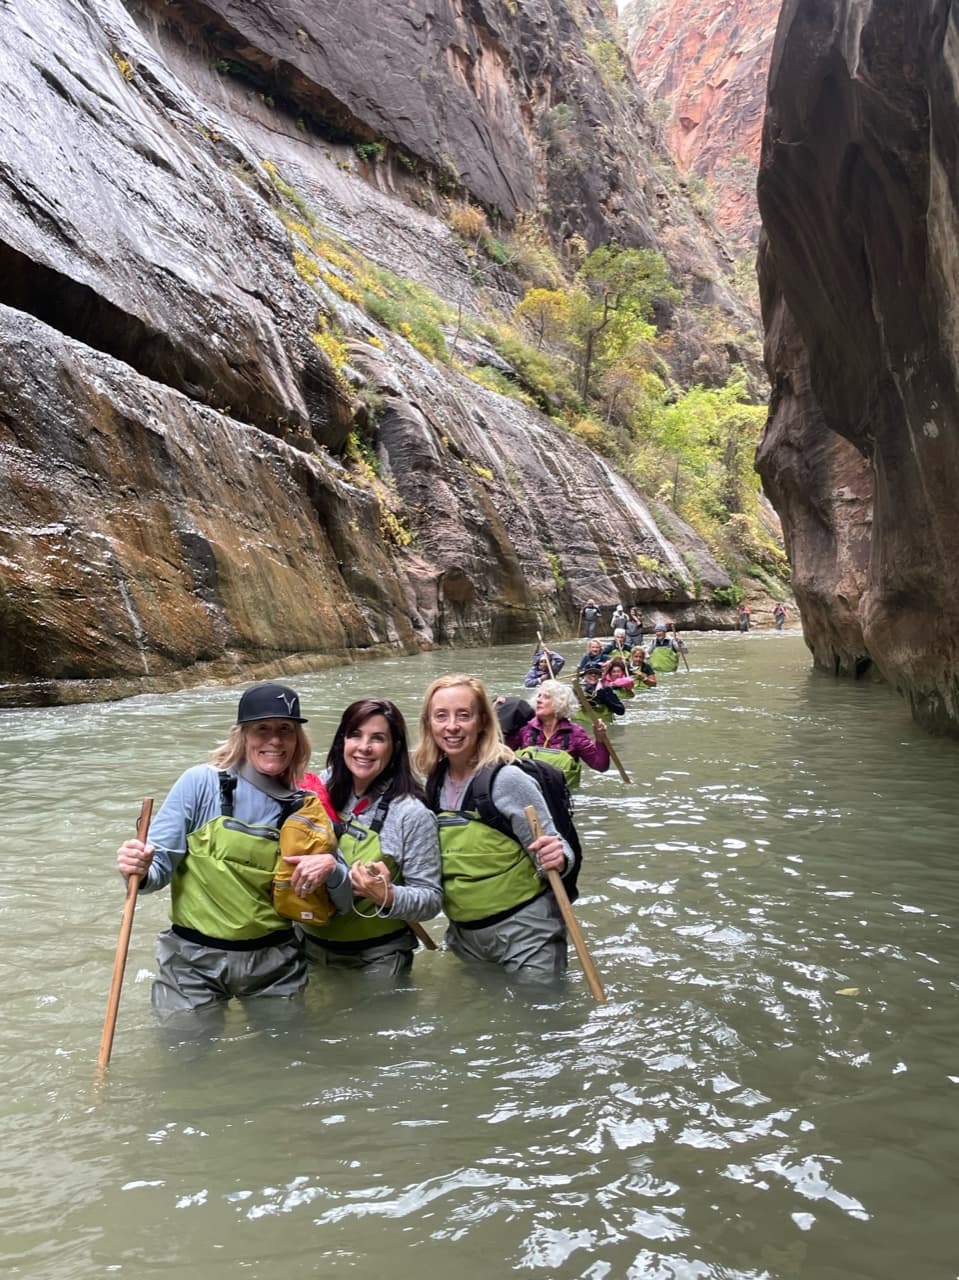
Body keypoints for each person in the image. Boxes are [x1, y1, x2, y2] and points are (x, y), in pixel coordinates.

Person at [114, 683, 353, 1023]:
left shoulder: (307, 806)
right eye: (262, 728)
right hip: (191, 962)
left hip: (276, 963)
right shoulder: (200, 783)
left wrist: (331, 867)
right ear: (241, 735)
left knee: (285, 1050)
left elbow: (343, 903)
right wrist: (137, 868)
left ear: (298, 739)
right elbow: (156, 873)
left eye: (285, 729)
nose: (275, 740)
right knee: (184, 1048)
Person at [414, 674, 573, 981]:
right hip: (465, 938)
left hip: (527, 936)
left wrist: (559, 857)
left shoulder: (508, 780)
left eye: (464, 715)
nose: (452, 726)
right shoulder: (433, 782)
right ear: (428, 724)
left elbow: (556, 848)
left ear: (483, 722)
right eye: (441, 716)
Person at [296, 699, 442, 976]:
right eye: (355, 735)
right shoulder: (317, 789)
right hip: (308, 947)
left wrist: (387, 895)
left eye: (377, 738)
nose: (364, 747)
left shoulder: (411, 813)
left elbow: (431, 900)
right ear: (342, 741)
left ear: (395, 747)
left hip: (378, 958)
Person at [508, 680, 610, 789]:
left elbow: (600, 766)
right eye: (539, 696)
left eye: (546, 697)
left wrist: (600, 738)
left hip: (561, 796)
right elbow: (501, 752)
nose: (538, 700)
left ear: (560, 703)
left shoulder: (575, 733)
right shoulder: (524, 728)